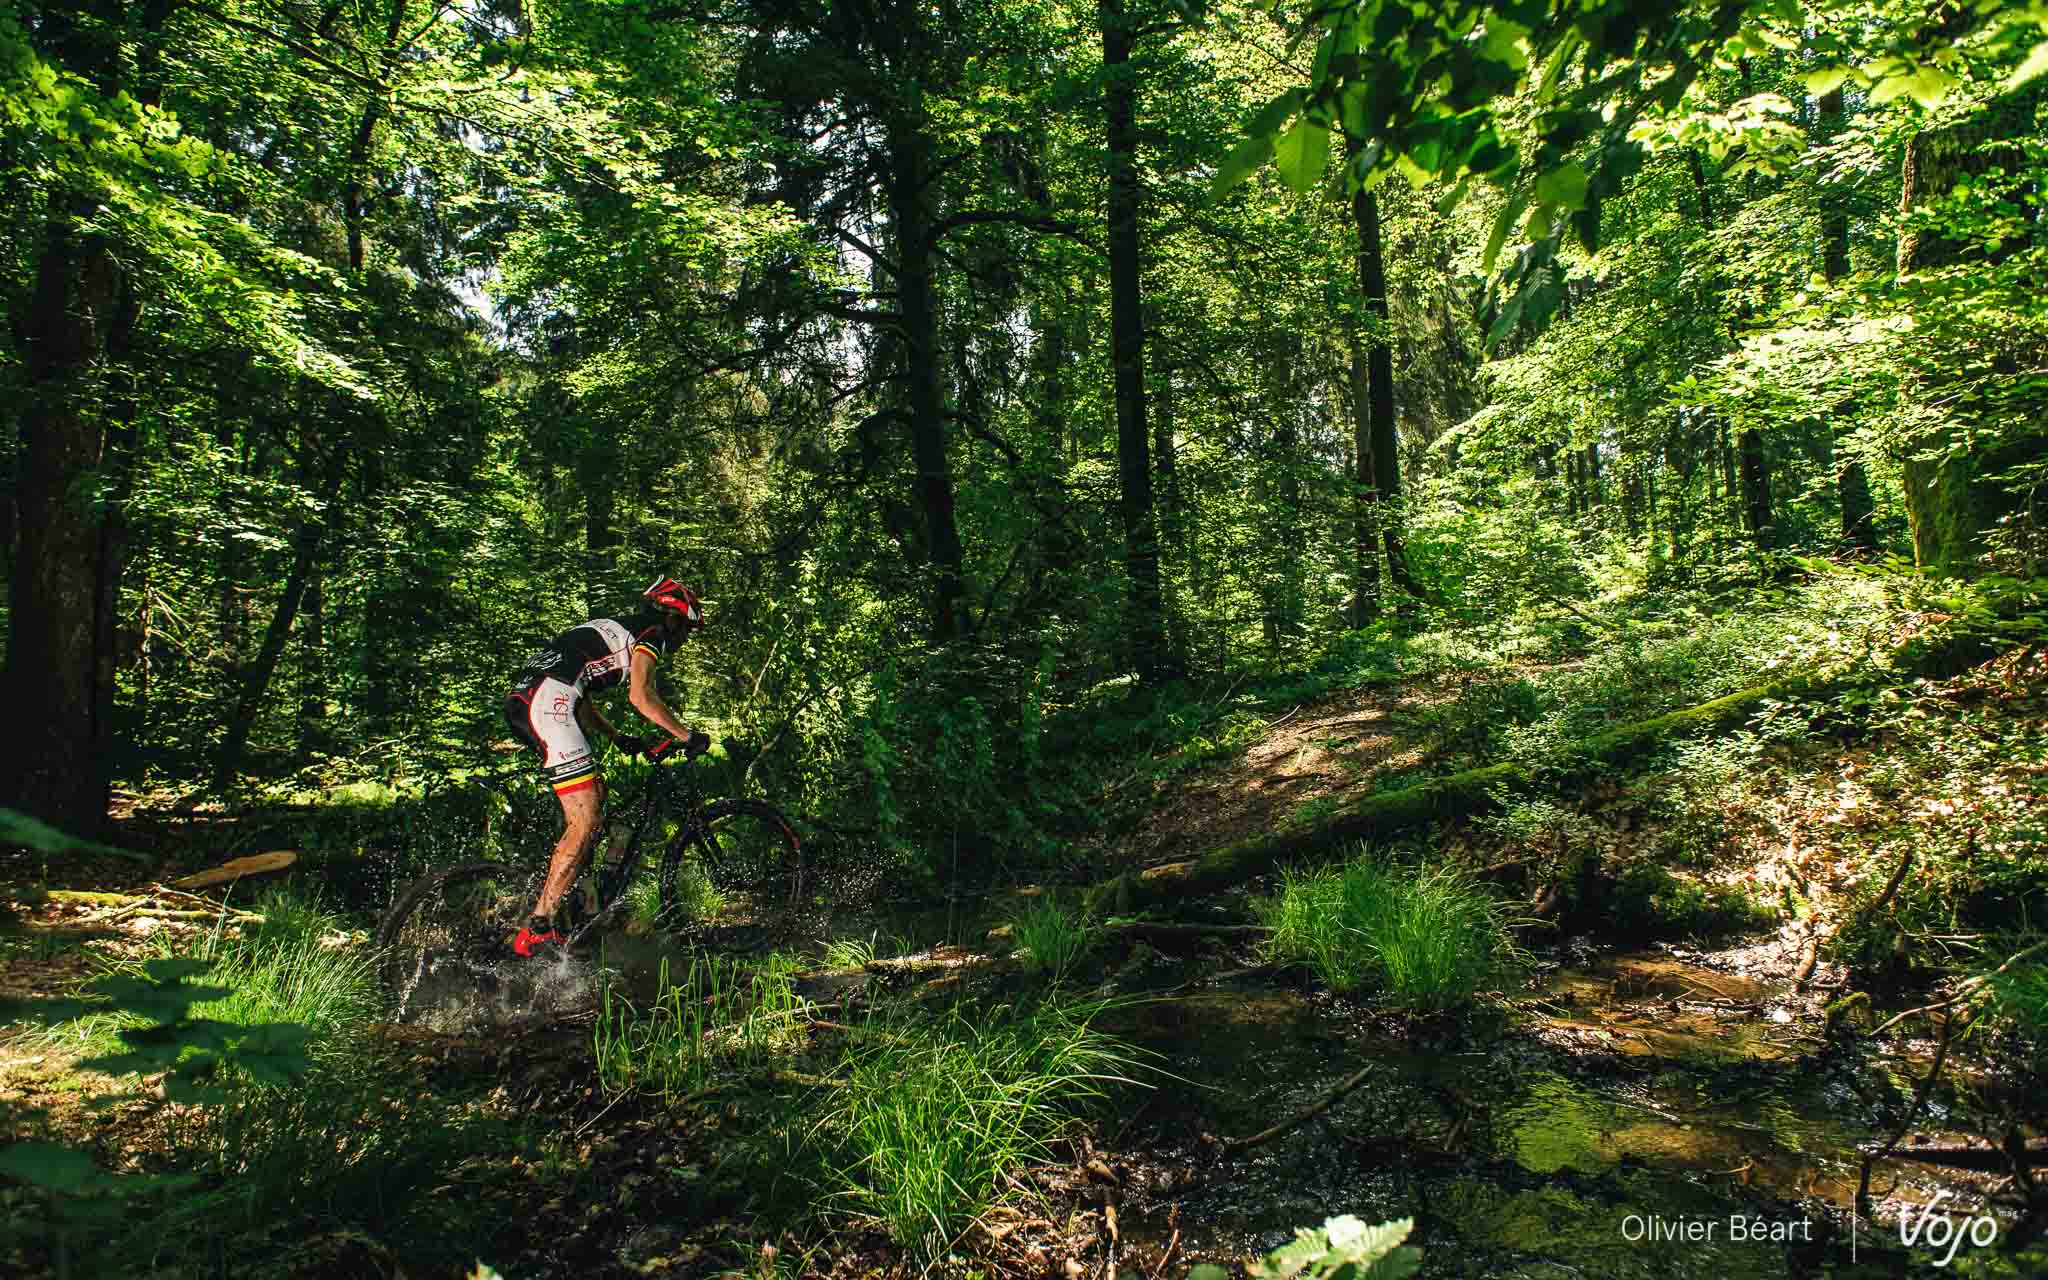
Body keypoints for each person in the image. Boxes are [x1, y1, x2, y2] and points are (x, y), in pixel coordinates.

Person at [502, 575, 712, 958]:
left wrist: (617, 738)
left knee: (596, 796)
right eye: (686, 631)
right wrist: (687, 735)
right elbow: (641, 696)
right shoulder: (652, 634)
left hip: (528, 699)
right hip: (549, 704)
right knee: (583, 820)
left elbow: (577, 693)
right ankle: (540, 926)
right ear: (674, 619)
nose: (682, 642)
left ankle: (582, 897)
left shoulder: (615, 628)